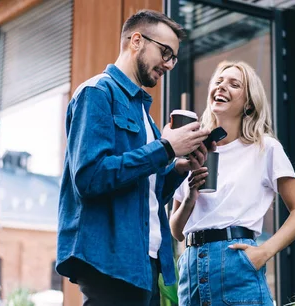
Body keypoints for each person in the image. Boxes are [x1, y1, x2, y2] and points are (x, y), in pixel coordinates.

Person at [55, 10, 212, 306]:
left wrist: (179, 167)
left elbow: (146, 194)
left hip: (144, 262)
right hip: (110, 261)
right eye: (165, 52)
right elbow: (89, 177)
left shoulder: (144, 114)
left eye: (173, 57)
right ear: (136, 41)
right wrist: (166, 148)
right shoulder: (97, 93)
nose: (168, 64)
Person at [170, 61, 295, 306]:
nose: (222, 87)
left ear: (248, 103)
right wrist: (191, 196)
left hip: (237, 263)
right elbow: (176, 230)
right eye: (218, 82)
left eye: (234, 84)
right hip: (191, 270)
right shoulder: (192, 151)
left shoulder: (264, 148)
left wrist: (263, 252)